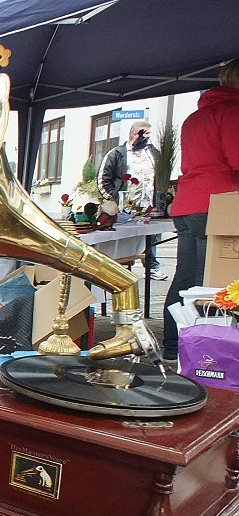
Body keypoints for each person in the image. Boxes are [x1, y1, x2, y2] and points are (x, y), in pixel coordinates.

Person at [161, 59, 239, 363]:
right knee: (212, 283)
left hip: (189, 203)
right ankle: (206, 354)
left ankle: (172, 347)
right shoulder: (232, 112)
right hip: (217, 206)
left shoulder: (195, 117)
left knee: (185, 279)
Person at [97, 121, 167, 280]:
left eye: (149, 134)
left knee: (151, 236)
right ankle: (122, 268)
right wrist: (112, 200)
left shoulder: (153, 153)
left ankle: (152, 267)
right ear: (134, 134)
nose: (147, 137)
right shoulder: (117, 153)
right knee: (124, 238)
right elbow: (103, 178)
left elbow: (161, 175)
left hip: (148, 205)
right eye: (145, 133)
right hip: (124, 206)